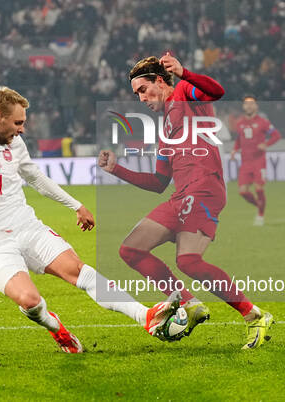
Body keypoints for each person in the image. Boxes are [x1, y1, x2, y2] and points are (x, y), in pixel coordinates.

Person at [0, 87, 180, 354]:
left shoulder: (15, 143)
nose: (22, 129)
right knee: (30, 301)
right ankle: (55, 327)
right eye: (18, 122)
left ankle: (146, 316)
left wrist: (76, 205)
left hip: (27, 227)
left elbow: (35, 178)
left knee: (78, 270)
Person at [98, 54, 274, 350]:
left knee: (188, 261)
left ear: (159, 80)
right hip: (181, 194)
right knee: (131, 250)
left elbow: (216, 91)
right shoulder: (165, 130)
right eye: (136, 94)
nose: (140, 99)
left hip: (205, 189)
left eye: (142, 90)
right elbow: (157, 183)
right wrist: (117, 169)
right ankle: (191, 305)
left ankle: (253, 315)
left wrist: (183, 72)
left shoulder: (184, 94)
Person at [231, 96, 281, 226]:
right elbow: (238, 139)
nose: (249, 106)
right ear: (243, 106)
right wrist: (235, 149)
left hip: (259, 160)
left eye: (251, 104)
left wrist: (266, 144)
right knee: (243, 191)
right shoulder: (240, 123)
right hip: (245, 162)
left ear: (256, 106)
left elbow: (276, 135)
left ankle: (260, 215)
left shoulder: (263, 122)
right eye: (246, 104)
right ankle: (259, 205)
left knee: (259, 189)